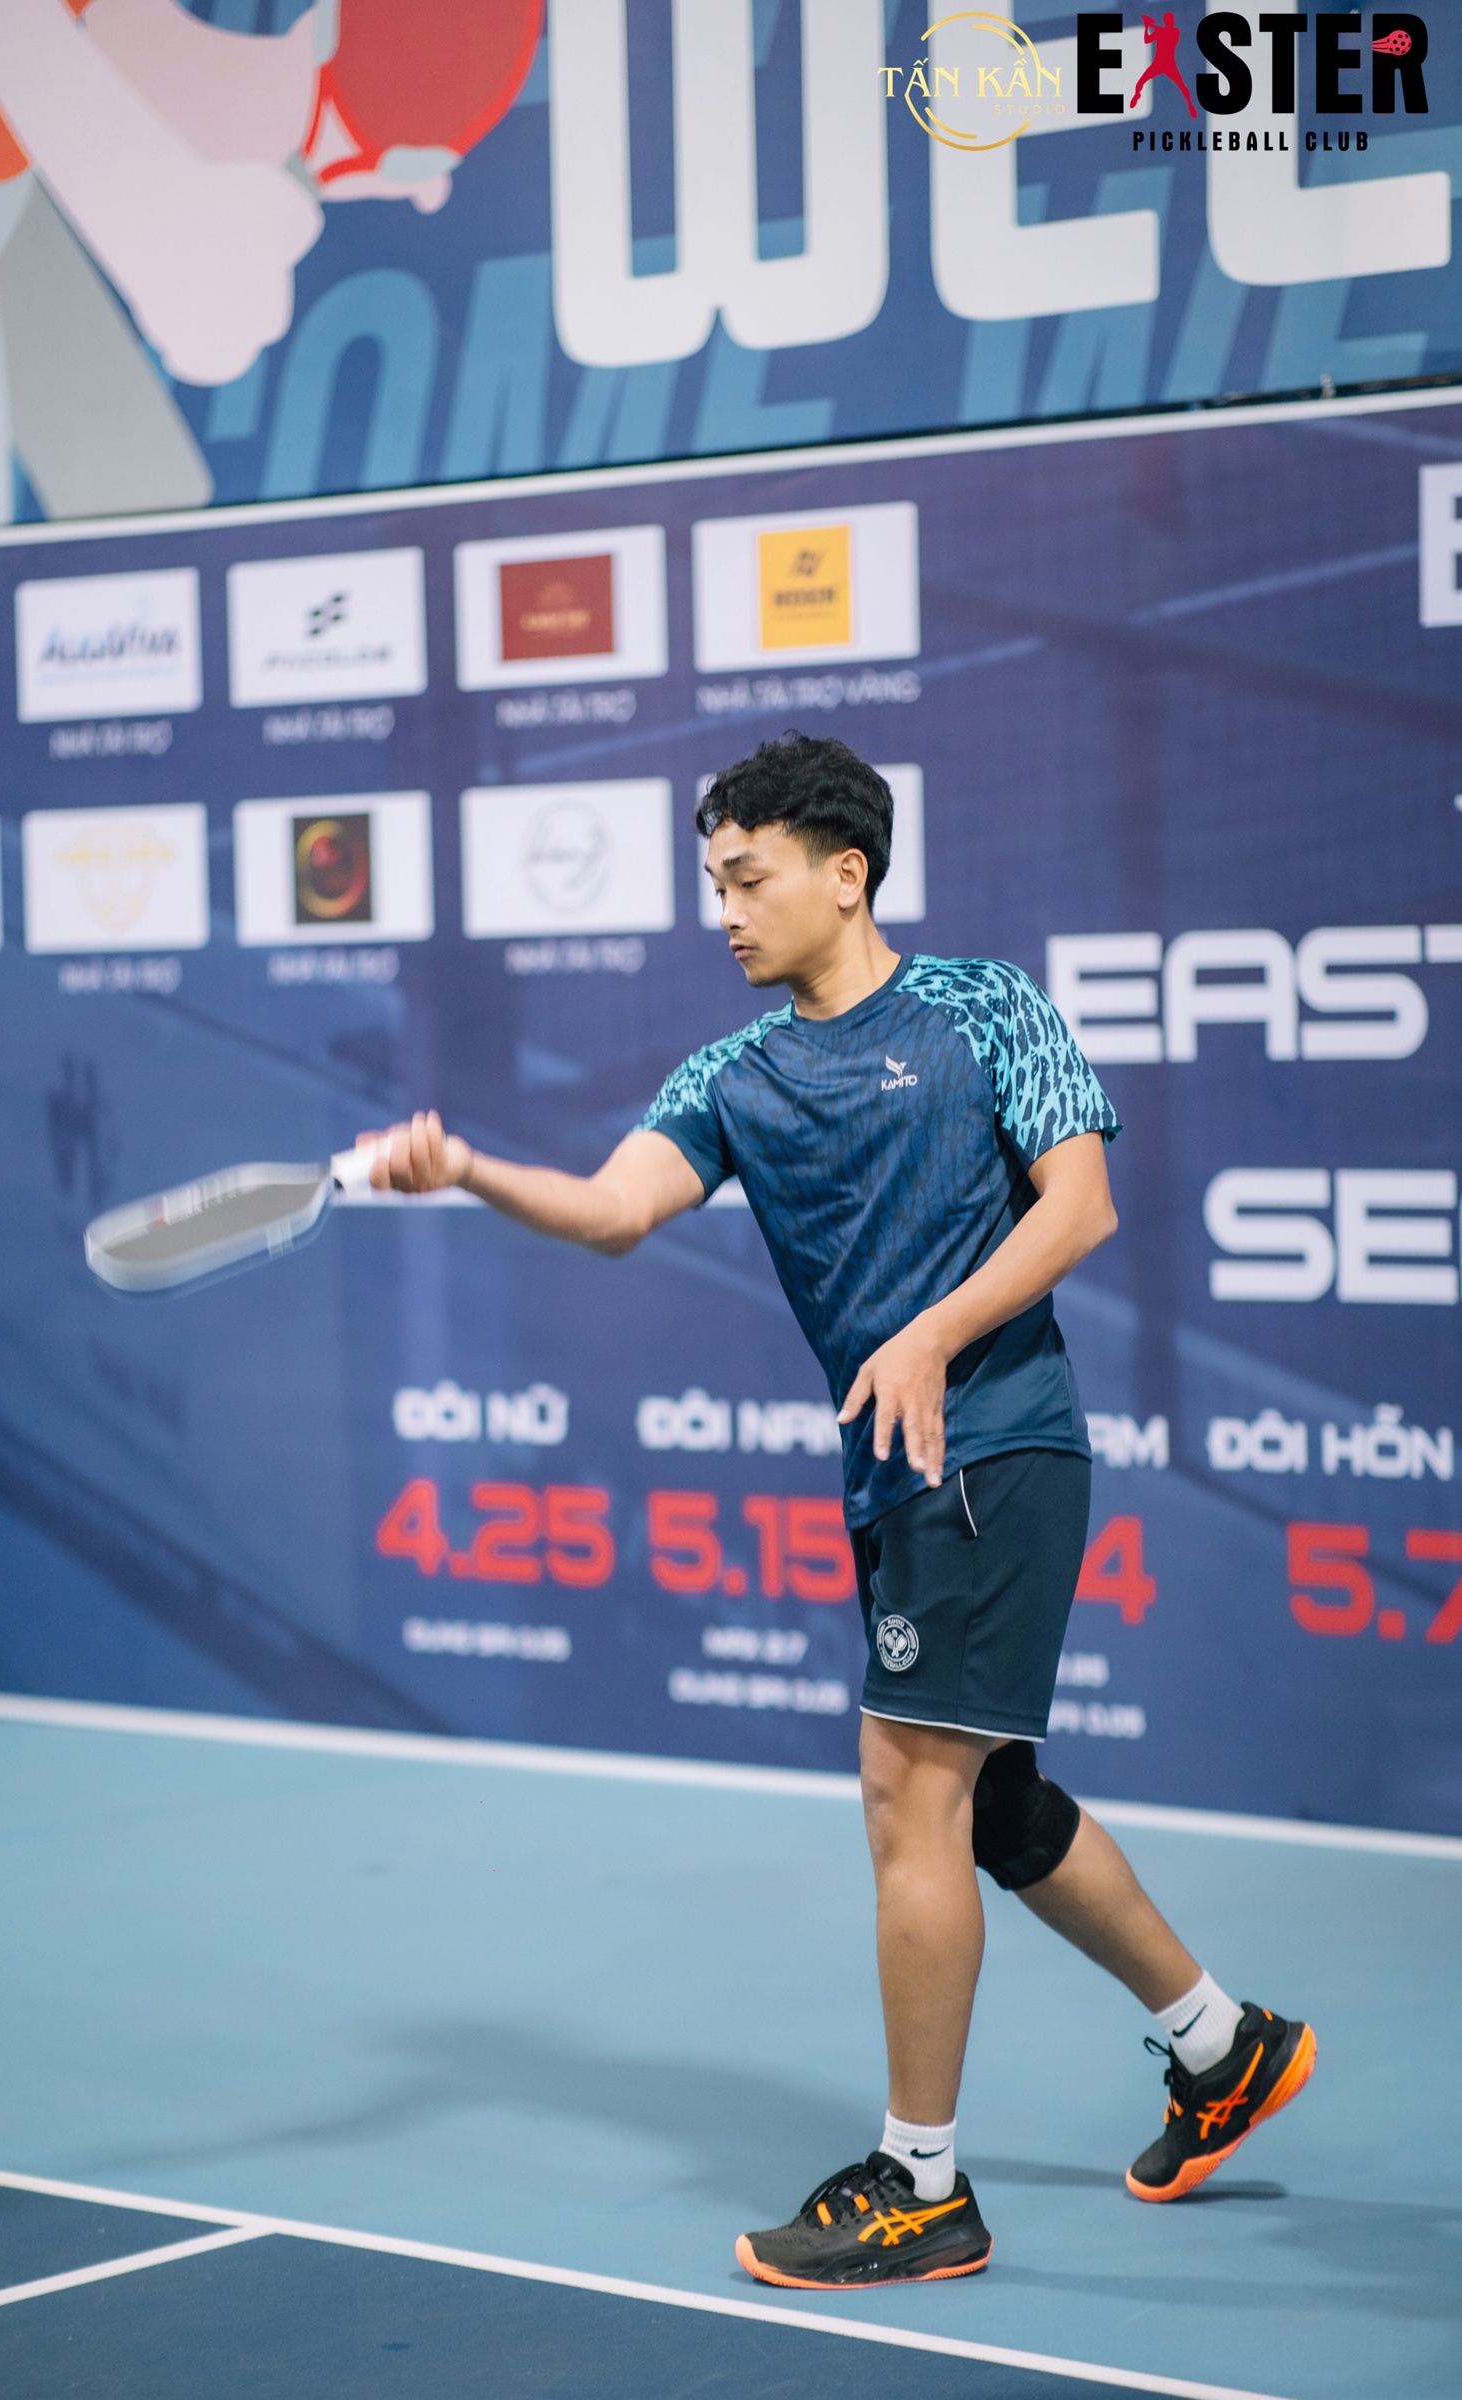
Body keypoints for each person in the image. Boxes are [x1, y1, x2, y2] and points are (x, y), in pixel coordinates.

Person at [359, 733, 1315, 2289]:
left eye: (748, 880)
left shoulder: (984, 1007)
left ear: (845, 872)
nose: (725, 914)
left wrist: (936, 1330)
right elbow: (612, 1210)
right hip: (894, 1470)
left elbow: (1081, 1204)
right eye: (713, 885)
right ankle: (1226, 2047)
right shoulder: (732, 1076)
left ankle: (922, 2186)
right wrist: (468, 1167)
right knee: (990, 1802)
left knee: (907, 1793)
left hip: (992, 1444)